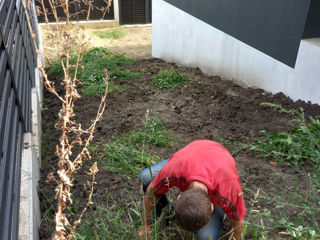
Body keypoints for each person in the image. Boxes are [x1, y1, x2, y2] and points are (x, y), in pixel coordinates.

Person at [138, 140, 246, 240]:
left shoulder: (227, 188)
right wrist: (146, 225)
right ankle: (164, 210)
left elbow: (238, 222)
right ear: (179, 197)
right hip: (187, 158)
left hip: (219, 157)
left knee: (205, 237)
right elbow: (151, 191)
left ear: (213, 206)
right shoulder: (174, 171)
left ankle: (222, 214)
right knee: (145, 177)